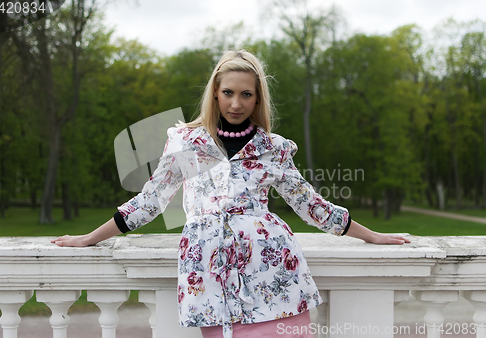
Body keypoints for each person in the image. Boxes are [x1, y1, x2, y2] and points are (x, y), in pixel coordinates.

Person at [52, 49, 410, 338]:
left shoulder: (273, 148)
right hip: (208, 272)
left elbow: (310, 205)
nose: (235, 103)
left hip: (271, 269)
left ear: (257, 100)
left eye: (246, 94)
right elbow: (150, 201)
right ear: (215, 93)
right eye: (228, 93)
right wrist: (89, 238)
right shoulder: (185, 142)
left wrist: (373, 236)